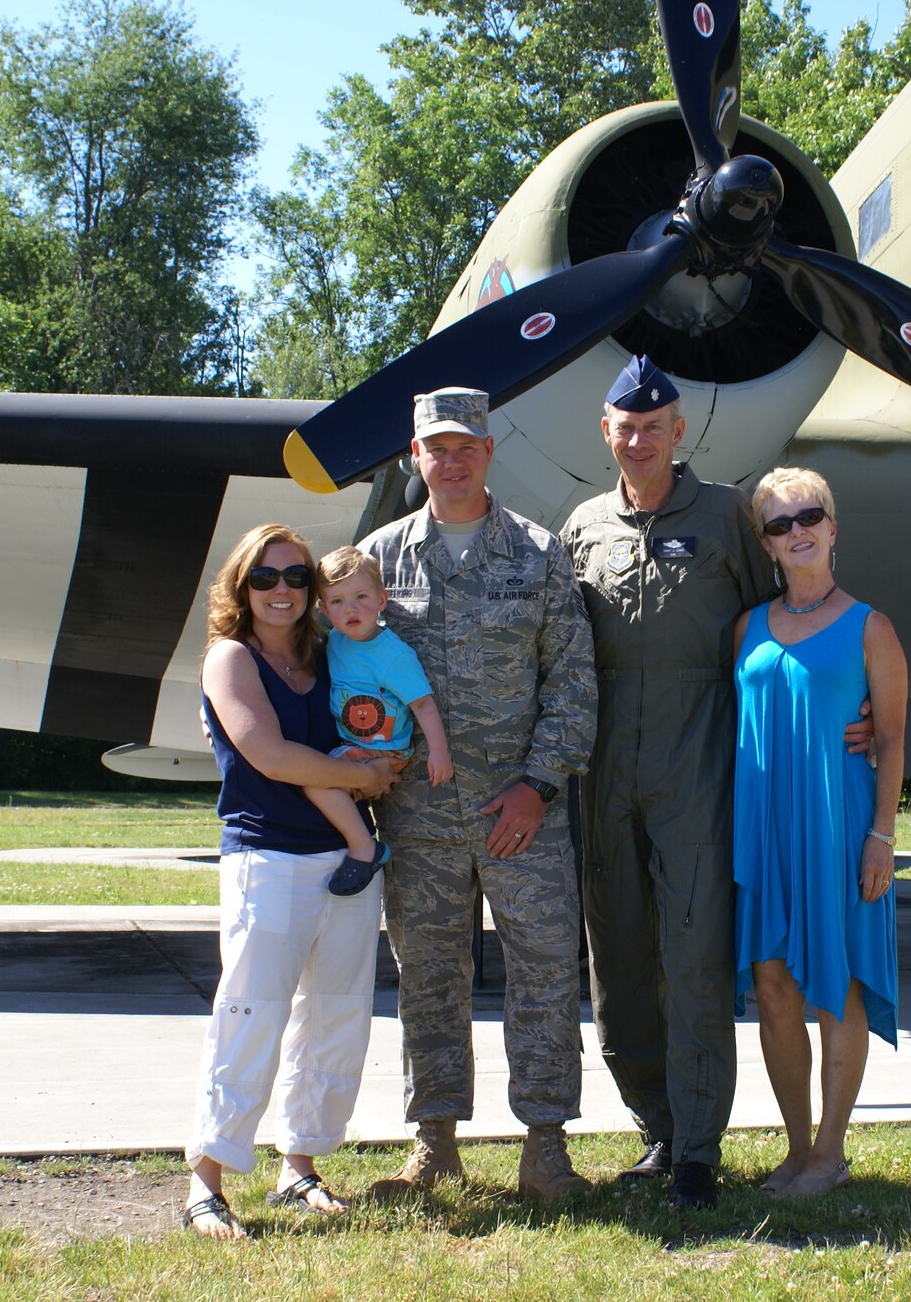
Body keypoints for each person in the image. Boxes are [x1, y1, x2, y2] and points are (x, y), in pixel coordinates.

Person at [358, 386, 600, 1202]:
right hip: (419, 816)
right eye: (437, 446)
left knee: (544, 972)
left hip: (521, 816)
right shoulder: (379, 562)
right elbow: (351, 678)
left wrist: (537, 787)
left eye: (466, 445)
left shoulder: (537, 552)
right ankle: (435, 1143)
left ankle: (546, 1144)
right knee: (427, 975)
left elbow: (571, 679)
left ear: (489, 451)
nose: (451, 459)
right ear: (415, 456)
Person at [559, 355, 776, 1208]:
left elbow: (779, 618)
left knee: (693, 952)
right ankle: (654, 1124)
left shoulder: (727, 516)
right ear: (607, 434)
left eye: (656, 425)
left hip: (699, 758)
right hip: (606, 759)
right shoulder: (581, 527)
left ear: (679, 431)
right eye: (626, 426)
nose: (640, 438)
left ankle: (698, 1148)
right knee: (615, 952)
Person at [179, 523, 400, 1238]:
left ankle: (299, 1165)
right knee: (251, 1014)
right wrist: (363, 776)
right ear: (241, 587)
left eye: (296, 577)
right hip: (268, 860)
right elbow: (270, 755)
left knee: (335, 1017)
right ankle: (206, 1181)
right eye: (266, 577)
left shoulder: (328, 655)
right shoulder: (230, 659)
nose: (282, 590)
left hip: (346, 862)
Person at [732, 465, 907, 1199]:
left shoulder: (871, 625)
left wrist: (882, 836)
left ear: (833, 528)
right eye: (778, 524)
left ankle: (832, 1152)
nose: (796, 530)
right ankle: (796, 1146)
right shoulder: (746, 626)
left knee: (837, 984)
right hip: (764, 823)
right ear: (767, 544)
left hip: (838, 824)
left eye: (809, 516)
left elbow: (892, 739)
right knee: (773, 984)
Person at [303, 544, 453, 897]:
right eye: (337, 601)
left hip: (384, 753)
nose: (350, 608)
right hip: (355, 746)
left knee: (315, 779)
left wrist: (439, 753)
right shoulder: (335, 643)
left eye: (360, 596)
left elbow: (424, 705)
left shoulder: (393, 654)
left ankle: (365, 848)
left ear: (382, 599)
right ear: (323, 610)